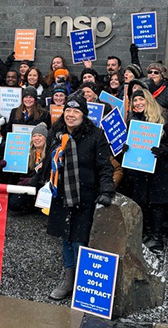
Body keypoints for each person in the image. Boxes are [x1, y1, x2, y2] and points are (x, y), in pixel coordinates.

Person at [44, 92, 115, 300]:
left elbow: (104, 166)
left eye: (76, 111)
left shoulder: (96, 135)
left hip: (84, 194)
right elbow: (48, 164)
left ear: (83, 115)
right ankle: (67, 279)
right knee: (65, 237)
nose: (71, 115)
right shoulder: (56, 133)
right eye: (68, 110)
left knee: (79, 239)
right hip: (61, 193)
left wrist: (106, 190)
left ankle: (81, 282)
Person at [125, 87, 168, 253]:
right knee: (144, 202)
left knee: (157, 204)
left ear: (148, 100)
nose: (138, 103)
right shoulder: (134, 119)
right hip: (142, 169)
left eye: (141, 99)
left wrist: (162, 149)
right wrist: (127, 148)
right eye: (135, 100)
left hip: (160, 170)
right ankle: (148, 234)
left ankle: (157, 239)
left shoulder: (164, 118)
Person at [8, 122, 48, 213]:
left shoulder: (49, 154)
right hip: (26, 185)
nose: (36, 138)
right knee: (13, 204)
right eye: (34, 136)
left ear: (46, 138)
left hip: (40, 186)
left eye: (40, 135)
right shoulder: (26, 152)